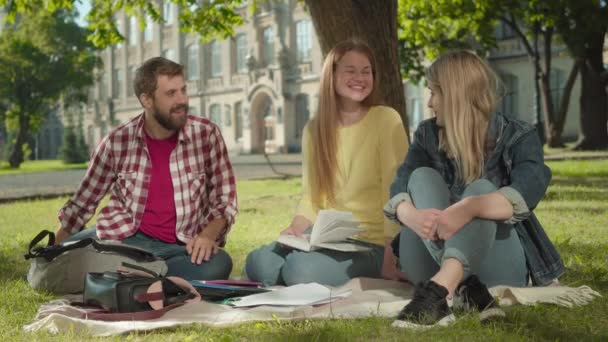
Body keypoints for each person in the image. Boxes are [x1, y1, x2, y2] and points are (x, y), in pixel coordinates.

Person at [384, 50, 565, 327]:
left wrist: (469, 208)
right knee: (420, 177)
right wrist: (410, 214)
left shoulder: (519, 136)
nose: (430, 103)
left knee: (481, 190)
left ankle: (437, 291)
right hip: (430, 255)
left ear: (455, 95)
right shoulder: (427, 134)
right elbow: (401, 184)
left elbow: (526, 192)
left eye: (434, 93)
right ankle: (465, 289)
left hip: (499, 264)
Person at [54, 57, 238, 281]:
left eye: (183, 90)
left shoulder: (206, 134)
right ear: (147, 100)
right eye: (171, 94)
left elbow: (225, 199)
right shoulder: (117, 141)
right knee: (65, 258)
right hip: (125, 242)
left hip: (181, 247)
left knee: (217, 265)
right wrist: (54, 248)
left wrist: (208, 236)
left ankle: (129, 275)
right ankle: (146, 276)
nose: (182, 100)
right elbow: (84, 202)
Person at [244, 39, 409, 286]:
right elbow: (312, 199)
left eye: (366, 71)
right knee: (259, 263)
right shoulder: (314, 130)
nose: (360, 78)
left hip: (372, 244)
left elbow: (396, 192)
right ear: (331, 76)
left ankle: (302, 269)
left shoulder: (386, 120)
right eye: (350, 71)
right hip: (325, 238)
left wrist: (391, 254)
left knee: (299, 271)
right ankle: (301, 265)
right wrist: (295, 230)